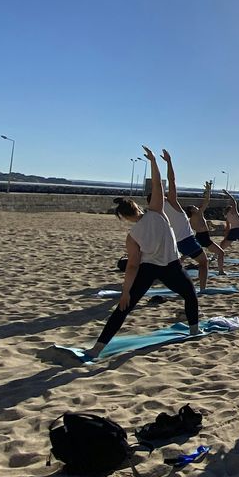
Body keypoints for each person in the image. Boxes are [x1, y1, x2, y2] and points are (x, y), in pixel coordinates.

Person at [87, 147, 200, 358]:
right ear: (138, 207)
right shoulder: (156, 210)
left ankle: (97, 349)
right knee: (190, 295)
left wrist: (126, 293)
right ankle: (194, 331)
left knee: (124, 309)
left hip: (148, 269)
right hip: (171, 267)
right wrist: (154, 161)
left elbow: (132, 266)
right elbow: (158, 184)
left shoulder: (132, 236)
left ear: (124, 217)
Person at [158, 150, 213, 291]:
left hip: (175, 242)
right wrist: (169, 162)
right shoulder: (172, 204)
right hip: (187, 240)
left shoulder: (157, 209)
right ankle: (202, 289)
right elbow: (172, 180)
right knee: (204, 262)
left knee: (174, 266)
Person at [186, 181, 226, 274]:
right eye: (194, 207)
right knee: (221, 253)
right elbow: (207, 201)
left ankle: (175, 267)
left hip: (200, 237)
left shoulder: (190, 219)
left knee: (186, 254)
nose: (196, 207)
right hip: (203, 237)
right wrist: (208, 190)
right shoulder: (198, 214)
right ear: (192, 210)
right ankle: (220, 271)